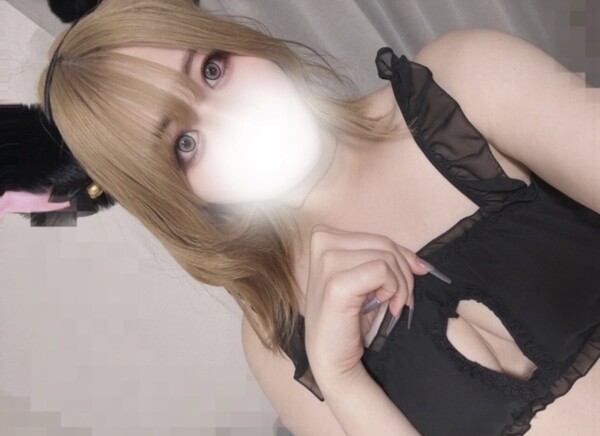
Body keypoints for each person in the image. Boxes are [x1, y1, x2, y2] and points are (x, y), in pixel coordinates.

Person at [3, 0, 598, 434]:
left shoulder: (461, 84)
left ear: (237, 40)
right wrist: (341, 379)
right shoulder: (276, 341)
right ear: (170, 196)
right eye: (185, 143)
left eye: (212, 69)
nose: (235, 118)